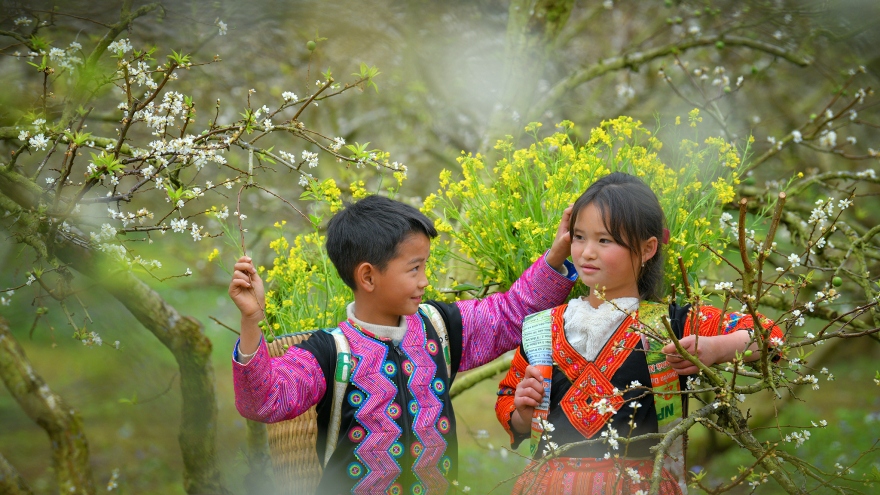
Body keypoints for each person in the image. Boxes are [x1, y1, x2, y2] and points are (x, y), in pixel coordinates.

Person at [229, 194, 579, 494]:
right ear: (368, 276)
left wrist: (557, 255)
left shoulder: (439, 329)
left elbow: (510, 312)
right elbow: (265, 401)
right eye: (414, 269)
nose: (425, 280)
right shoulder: (331, 352)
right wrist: (250, 322)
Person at [495, 172, 784, 494]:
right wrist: (523, 412)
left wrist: (717, 348)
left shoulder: (670, 325)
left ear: (647, 249)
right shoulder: (541, 328)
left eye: (604, 240)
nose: (588, 252)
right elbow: (509, 401)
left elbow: (767, 336)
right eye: (578, 237)